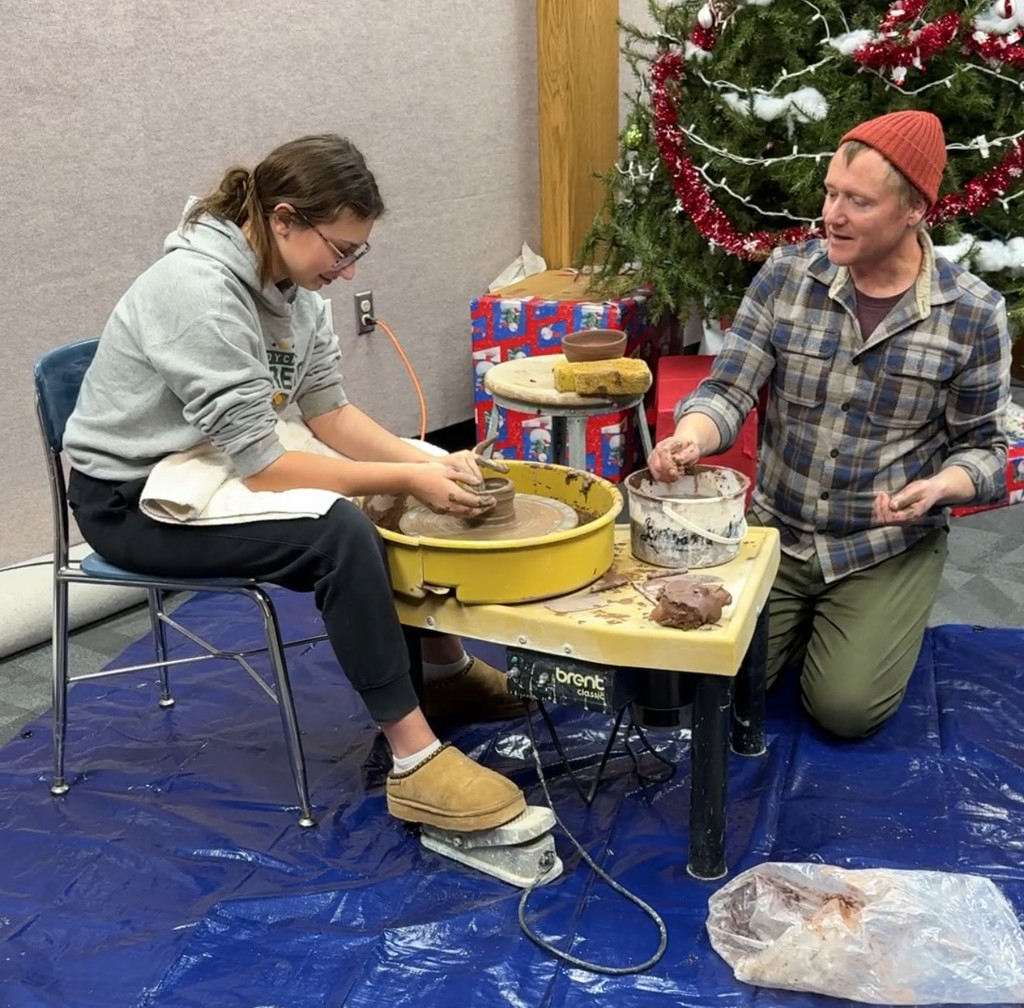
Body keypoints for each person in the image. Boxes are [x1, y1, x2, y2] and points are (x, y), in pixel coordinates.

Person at [63, 133, 528, 832]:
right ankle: (414, 759)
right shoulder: (199, 292)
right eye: (340, 250)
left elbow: (329, 412)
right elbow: (266, 463)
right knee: (340, 532)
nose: (345, 271)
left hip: (203, 459)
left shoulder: (296, 287)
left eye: (356, 252)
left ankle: (444, 672)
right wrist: (403, 472)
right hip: (128, 498)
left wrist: (425, 463)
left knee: (390, 488)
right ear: (283, 219)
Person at [648, 110, 1011, 738]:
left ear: (913, 211)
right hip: (776, 531)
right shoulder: (788, 276)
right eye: (830, 192)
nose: (832, 215)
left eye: (858, 201)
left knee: (844, 711)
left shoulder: (973, 313)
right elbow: (729, 388)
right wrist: (693, 436)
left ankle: (860, 619)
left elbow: (986, 448)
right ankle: (798, 622)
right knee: (696, 686)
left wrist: (941, 487)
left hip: (881, 546)